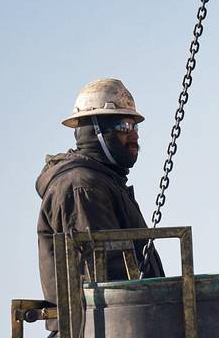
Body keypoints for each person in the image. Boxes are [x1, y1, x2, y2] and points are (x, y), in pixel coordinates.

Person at [35, 78, 164, 337]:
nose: (134, 135)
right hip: (99, 328)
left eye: (135, 125)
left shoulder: (105, 182)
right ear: (96, 132)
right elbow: (109, 280)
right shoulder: (82, 187)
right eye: (124, 126)